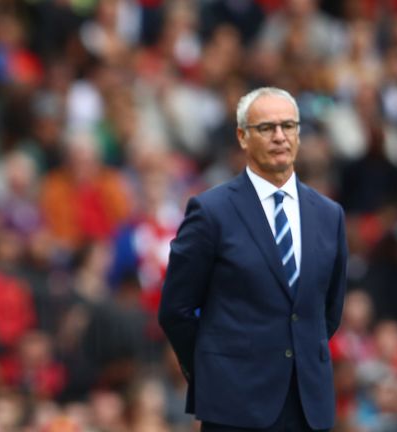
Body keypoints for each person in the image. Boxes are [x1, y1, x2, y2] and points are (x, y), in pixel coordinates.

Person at [159, 87, 347, 432]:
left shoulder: (329, 214)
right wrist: (215, 370)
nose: (279, 136)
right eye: (267, 128)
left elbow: (328, 311)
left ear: (298, 134)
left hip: (308, 406)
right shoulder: (211, 211)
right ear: (243, 137)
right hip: (234, 406)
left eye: (288, 126)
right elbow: (175, 309)